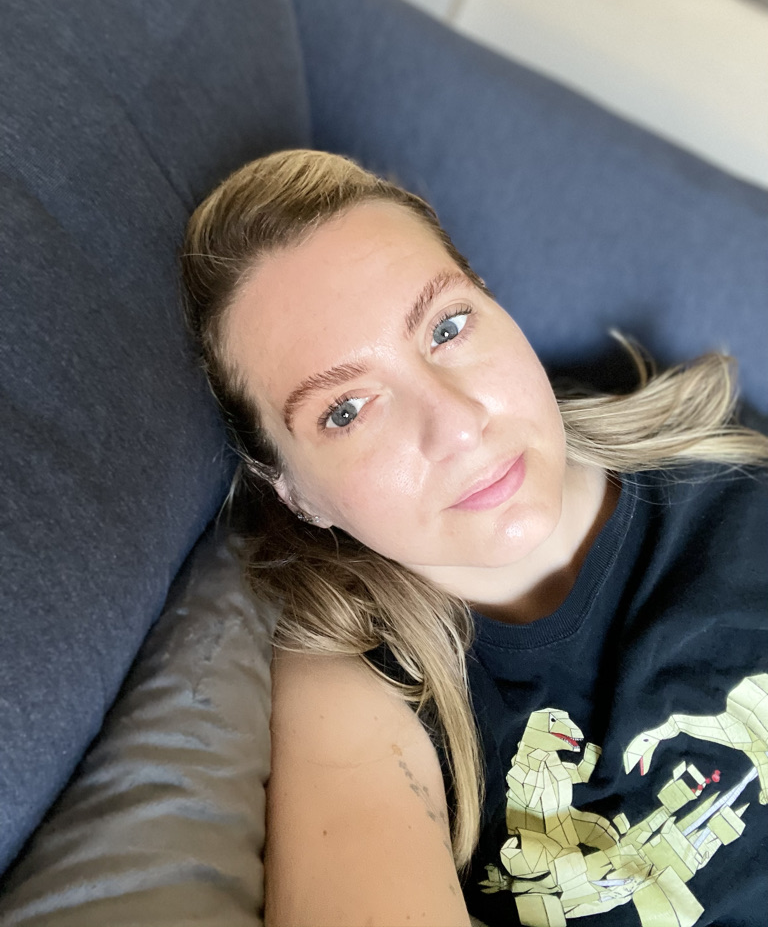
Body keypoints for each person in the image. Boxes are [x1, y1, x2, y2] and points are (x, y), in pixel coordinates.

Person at [181, 149, 768, 927]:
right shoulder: (357, 697)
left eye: (448, 326)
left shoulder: (731, 466)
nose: (458, 424)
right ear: (294, 492)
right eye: (347, 410)